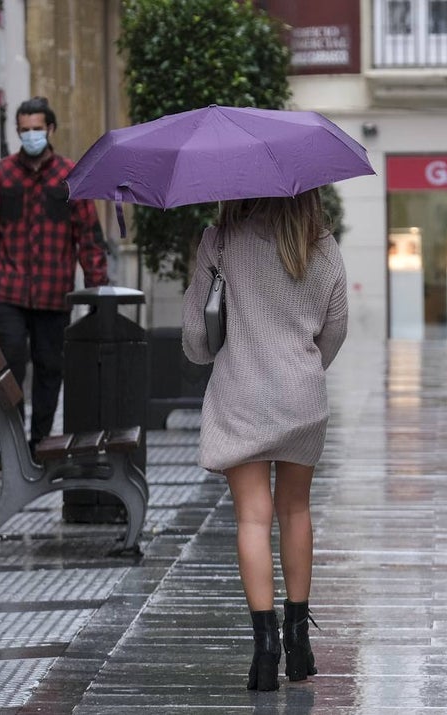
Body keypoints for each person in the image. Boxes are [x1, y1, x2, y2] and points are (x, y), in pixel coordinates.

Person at [182, 189, 348, 691]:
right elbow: (335, 329)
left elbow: (194, 338)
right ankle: (299, 642)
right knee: (296, 511)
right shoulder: (321, 245)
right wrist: (303, 366)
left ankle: (264, 650)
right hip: (302, 394)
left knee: (252, 518)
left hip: (241, 395)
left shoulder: (220, 242)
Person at [0, 96, 108, 469]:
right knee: (8, 369)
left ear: (51, 130)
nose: (30, 136)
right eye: (24, 130)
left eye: (36, 129)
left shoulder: (71, 176)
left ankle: (41, 443)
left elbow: (88, 237)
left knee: (49, 369)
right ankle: (9, 447)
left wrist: (97, 288)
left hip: (53, 292)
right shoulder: (0, 176)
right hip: (8, 291)